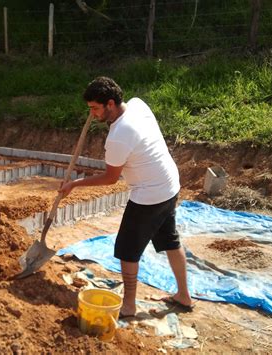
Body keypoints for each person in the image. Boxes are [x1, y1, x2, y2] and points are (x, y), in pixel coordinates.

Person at [59, 76, 193, 317]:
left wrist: (75, 184)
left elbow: (110, 178)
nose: (92, 114)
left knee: (127, 250)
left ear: (110, 103)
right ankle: (184, 295)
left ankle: (129, 305)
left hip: (149, 195)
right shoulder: (138, 105)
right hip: (169, 184)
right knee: (170, 240)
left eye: (95, 108)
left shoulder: (119, 135)